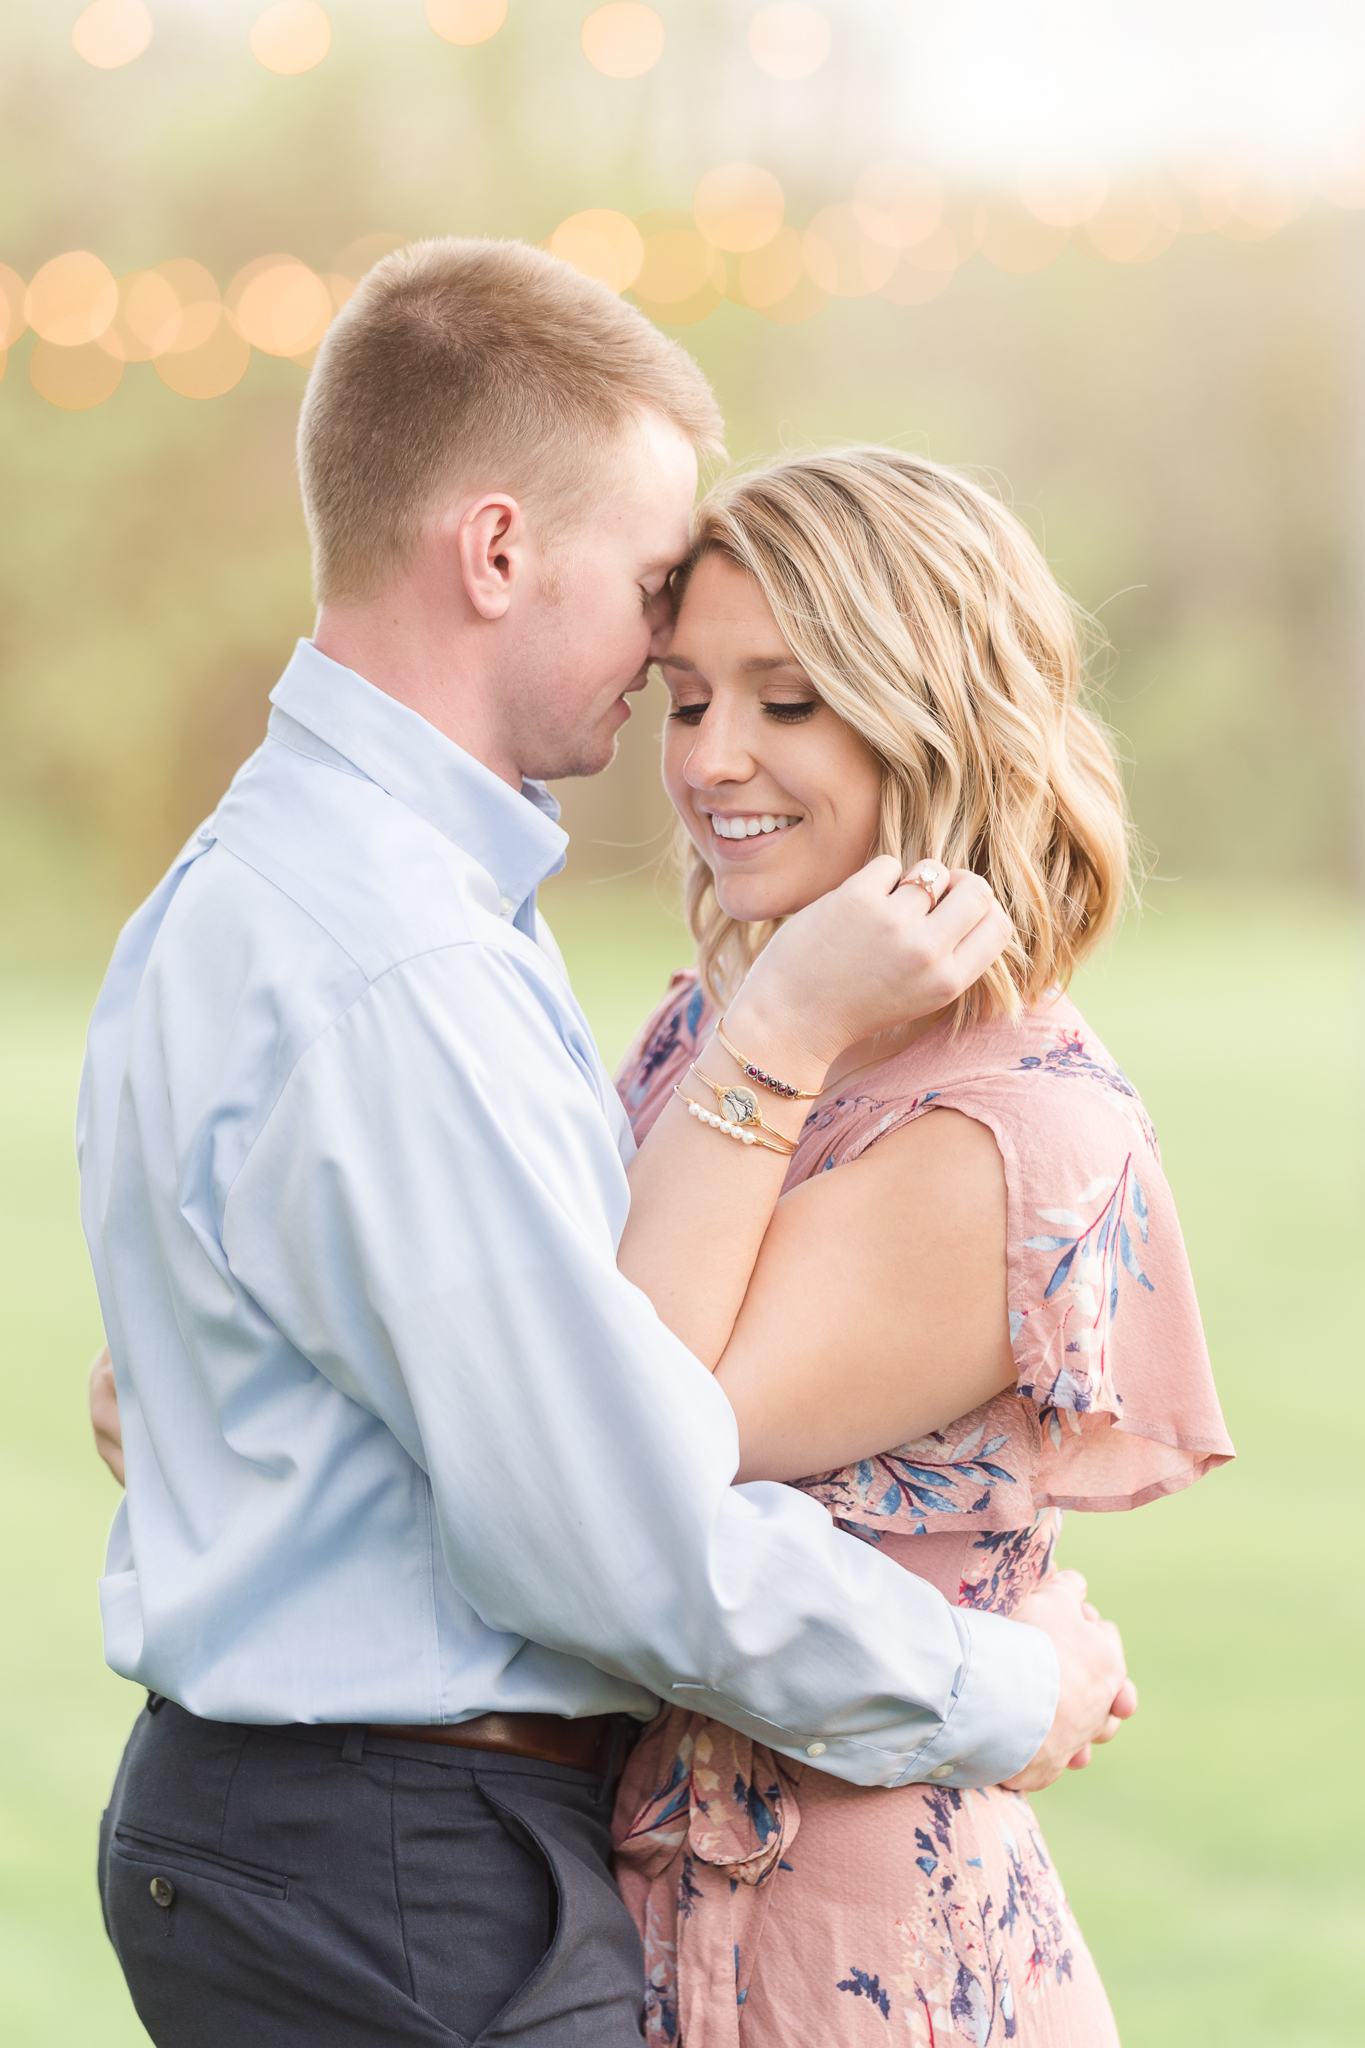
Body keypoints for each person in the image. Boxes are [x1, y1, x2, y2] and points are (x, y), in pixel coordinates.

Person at [78, 239, 1130, 2048]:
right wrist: (986, 1685)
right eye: (657, 595)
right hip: (399, 1856)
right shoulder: (393, 955)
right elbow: (609, 1515)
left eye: (774, 690)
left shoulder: (306, 889)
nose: (666, 679)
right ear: (495, 553)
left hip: (375, 1841)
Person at [604, 445, 1233, 2045]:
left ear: (934, 717)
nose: (710, 758)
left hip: (836, 1947)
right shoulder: (721, 1027)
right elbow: (506, 1352)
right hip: (626, 1893)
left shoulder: (1005, 1137)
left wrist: (784, 1024)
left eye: (789, 700)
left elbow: (624, 1437)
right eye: (686, 699)